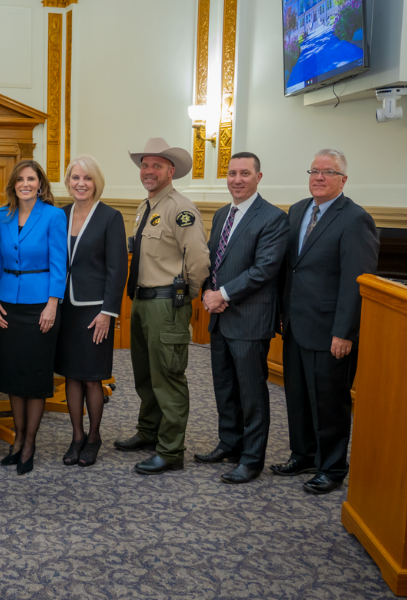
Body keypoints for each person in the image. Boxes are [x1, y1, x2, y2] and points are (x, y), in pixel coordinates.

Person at [273, 149, 378, 494]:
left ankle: (332, 467)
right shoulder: (299, 210)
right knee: (298, 396)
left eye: (328, 172)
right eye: (314, 171)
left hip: (330, 330)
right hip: (295, 325)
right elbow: (292, 268)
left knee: (329, 403)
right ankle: (303, 454)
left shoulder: (355, 219)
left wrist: (345, 331)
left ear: (343, 180)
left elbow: (355, 280)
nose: (319, 177)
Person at [113, 138, 210, 475]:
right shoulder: (147, 206)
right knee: (145, 375)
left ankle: (171, 450)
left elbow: (198, 260)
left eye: (156, 165)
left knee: (168, 377)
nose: (148, 171)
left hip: (166, 304)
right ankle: (149, 431)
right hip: (141, 301)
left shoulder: (180, 209)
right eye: (145, 165)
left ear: (171, 171)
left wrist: (185, 298)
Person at [194, 152, 288, 484]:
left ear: (258, 177)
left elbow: (264, 269)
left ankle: (252, 458)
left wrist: (223, 295)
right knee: (224, 387)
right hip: (219, 316)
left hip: (249, 319)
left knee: (251, 393)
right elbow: (212, 261)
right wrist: (208, 291)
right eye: (232, 173)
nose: (237, 179)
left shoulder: (274, 218)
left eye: (244, 173)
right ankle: (230, 443)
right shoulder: (222, 214)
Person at [0, 160, 67, 475]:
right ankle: (17, 439)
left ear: (40, 184)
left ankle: (30, 443)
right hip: (7, 303)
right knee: (12, 375)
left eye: (31, 179)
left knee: (34, 377)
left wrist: (53, 304)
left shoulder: (53, 215)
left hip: (40, 306)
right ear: (13, 184)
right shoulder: (0, 215)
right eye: (20, 179)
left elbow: (60, 262)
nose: (25, 183)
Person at [54, 155, 127, 467]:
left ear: (96, 182)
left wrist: (108, 312)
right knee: (71, 375)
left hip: (95, 310)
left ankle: (94, 436)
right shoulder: (61, 214)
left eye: (87, 178)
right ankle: (77, 436)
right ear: (68, 182)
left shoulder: (110, 217)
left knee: (92, 378)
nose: (80, 183)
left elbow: (118, 269)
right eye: (75, 178)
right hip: (65, 308)